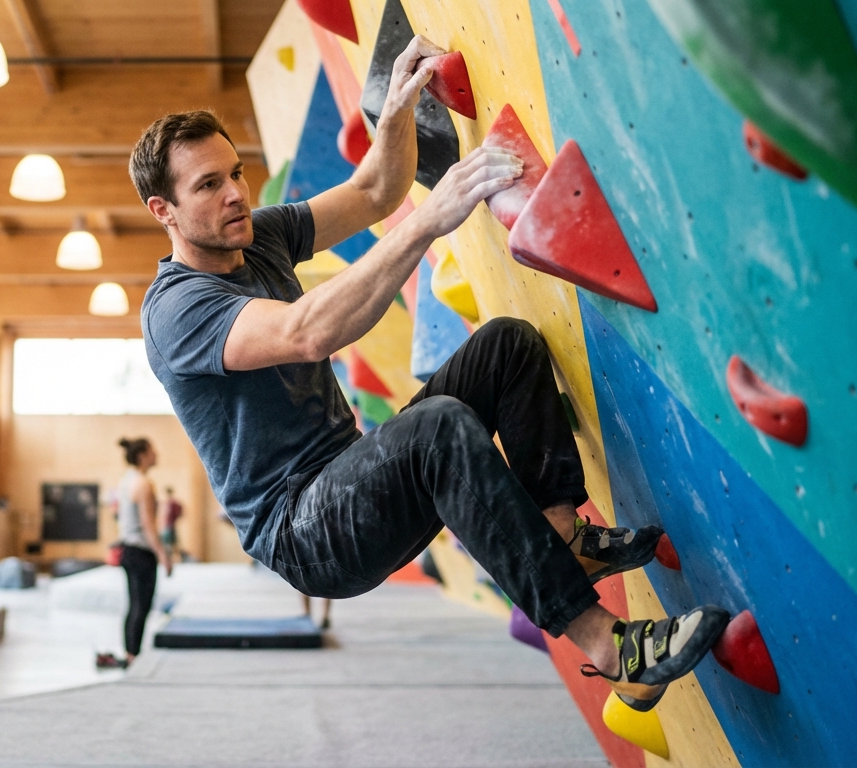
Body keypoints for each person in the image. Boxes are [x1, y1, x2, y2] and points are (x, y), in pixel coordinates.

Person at [131, 35, 728, 712]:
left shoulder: (255, 235)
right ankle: (607, 646)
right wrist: (428, 225)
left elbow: (373, 189)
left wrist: (394, 111)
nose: (235, 193)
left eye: (236, 172)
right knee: (439, 428)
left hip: (351, 474)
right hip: (303, 530)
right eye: (209, 185)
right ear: (165, 211)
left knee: (505, 347)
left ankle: (563, 533)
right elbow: (307, 331)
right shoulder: (177, 311)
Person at [98, 437, 173, 670]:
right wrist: (163, 554)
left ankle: (131, 653)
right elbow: (148, 526)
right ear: (142, 455)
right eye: (152, 451)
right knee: (141, 605)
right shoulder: (143, 483)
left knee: (135, 604)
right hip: (140, 552)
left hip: (128, 550)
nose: (156, 454)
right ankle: (132, 656)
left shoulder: (126, 480)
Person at [160, 486, 184, 563]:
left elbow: (166, 515)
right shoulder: (174, 503)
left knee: (168, 544)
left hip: (168, 526)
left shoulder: (169, 504)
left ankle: (171, 559)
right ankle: (177, 559)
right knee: (173, 544)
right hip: (171, 526)